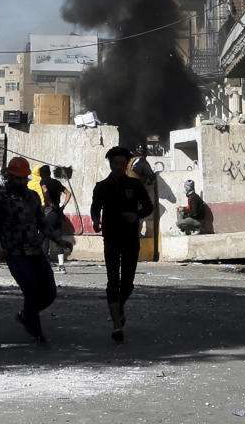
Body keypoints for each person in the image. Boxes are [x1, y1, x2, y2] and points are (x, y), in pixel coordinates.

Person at [0, 156, 56, 343]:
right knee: (32, 290)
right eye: (17, 178)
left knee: (49, 293)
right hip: (15, 254)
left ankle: (25, 315)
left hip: (36, 253)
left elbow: (43, 223)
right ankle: (36, 331)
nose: (21, 182)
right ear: (9, 178)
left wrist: (58, 239)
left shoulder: (33, 197)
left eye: (23, 178)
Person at [90, 146, 153, 342]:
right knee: (112, 281)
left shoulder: (134, 185)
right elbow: (95, 208)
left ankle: (119, 306)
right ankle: (117, 324)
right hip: (110, 238)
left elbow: (148, 207)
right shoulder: (101, 186)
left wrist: (137, 215)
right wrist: (95, 221)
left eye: (121, 163)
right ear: (110, 164)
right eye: (115, 163)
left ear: (126, 165)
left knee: (127, 282)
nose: (118, 166)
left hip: (130, 239)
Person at [39, 165, 73, 269]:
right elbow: (68, 194)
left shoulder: (43, 182)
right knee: (58, 236)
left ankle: (44, 262)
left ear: (41, 174)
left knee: (43, 237)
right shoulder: (56, 183)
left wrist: (49, 203)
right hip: (58, 212)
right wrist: (63, 206)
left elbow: (45, 190)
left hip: (49, 212)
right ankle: (61, 265)